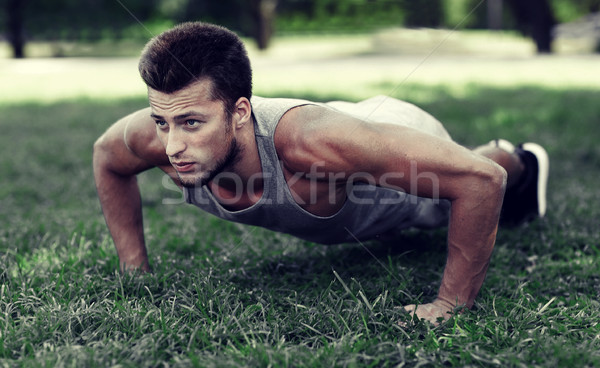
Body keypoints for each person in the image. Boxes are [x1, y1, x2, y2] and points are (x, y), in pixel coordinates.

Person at [92, 22, 549, 324]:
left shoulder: (311, 145)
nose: (172, 146)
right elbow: (107, 158)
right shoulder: (159, 135)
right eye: (162, 122)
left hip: (385, 134)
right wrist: (135, 270)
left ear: (239, 112)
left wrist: (450, 305)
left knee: (460, 178)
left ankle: (520, 157)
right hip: (350, 135)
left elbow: (478, 180)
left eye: (192, 122)